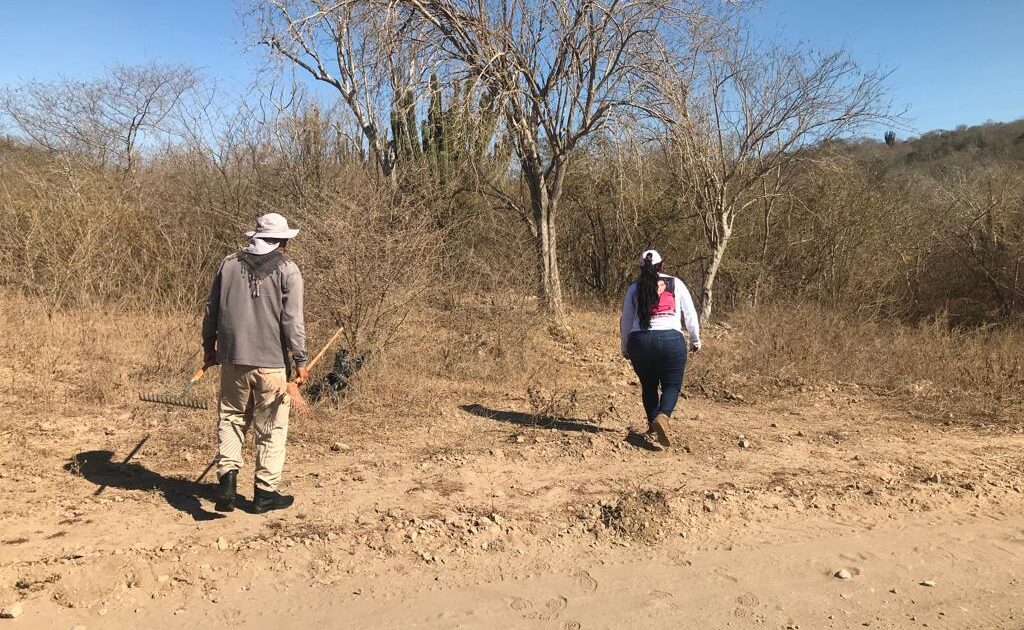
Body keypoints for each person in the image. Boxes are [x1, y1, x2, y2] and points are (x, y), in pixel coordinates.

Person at [202, 212, 309, 513]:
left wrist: (208, 347)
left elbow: (211, 309)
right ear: (283, 241)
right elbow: (292, 321)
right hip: (271, 363)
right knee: (271, 427)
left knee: (231, 418)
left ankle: (227, 483)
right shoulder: (289, 270)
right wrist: (300, 359)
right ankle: (265, 493)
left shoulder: (229, 263)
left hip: (232, 359)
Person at [619, 249, 702, 449]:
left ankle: (651, 424)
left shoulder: (634, 288)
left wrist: (625, 347)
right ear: (662, 266)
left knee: (648, 385)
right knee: (671, 386)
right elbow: (690, 314)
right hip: (671, 340)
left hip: (639, 341)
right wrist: (695, 340)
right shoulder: (676, 283)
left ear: (641, 267)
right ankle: (662, 417)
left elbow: (626, 320)